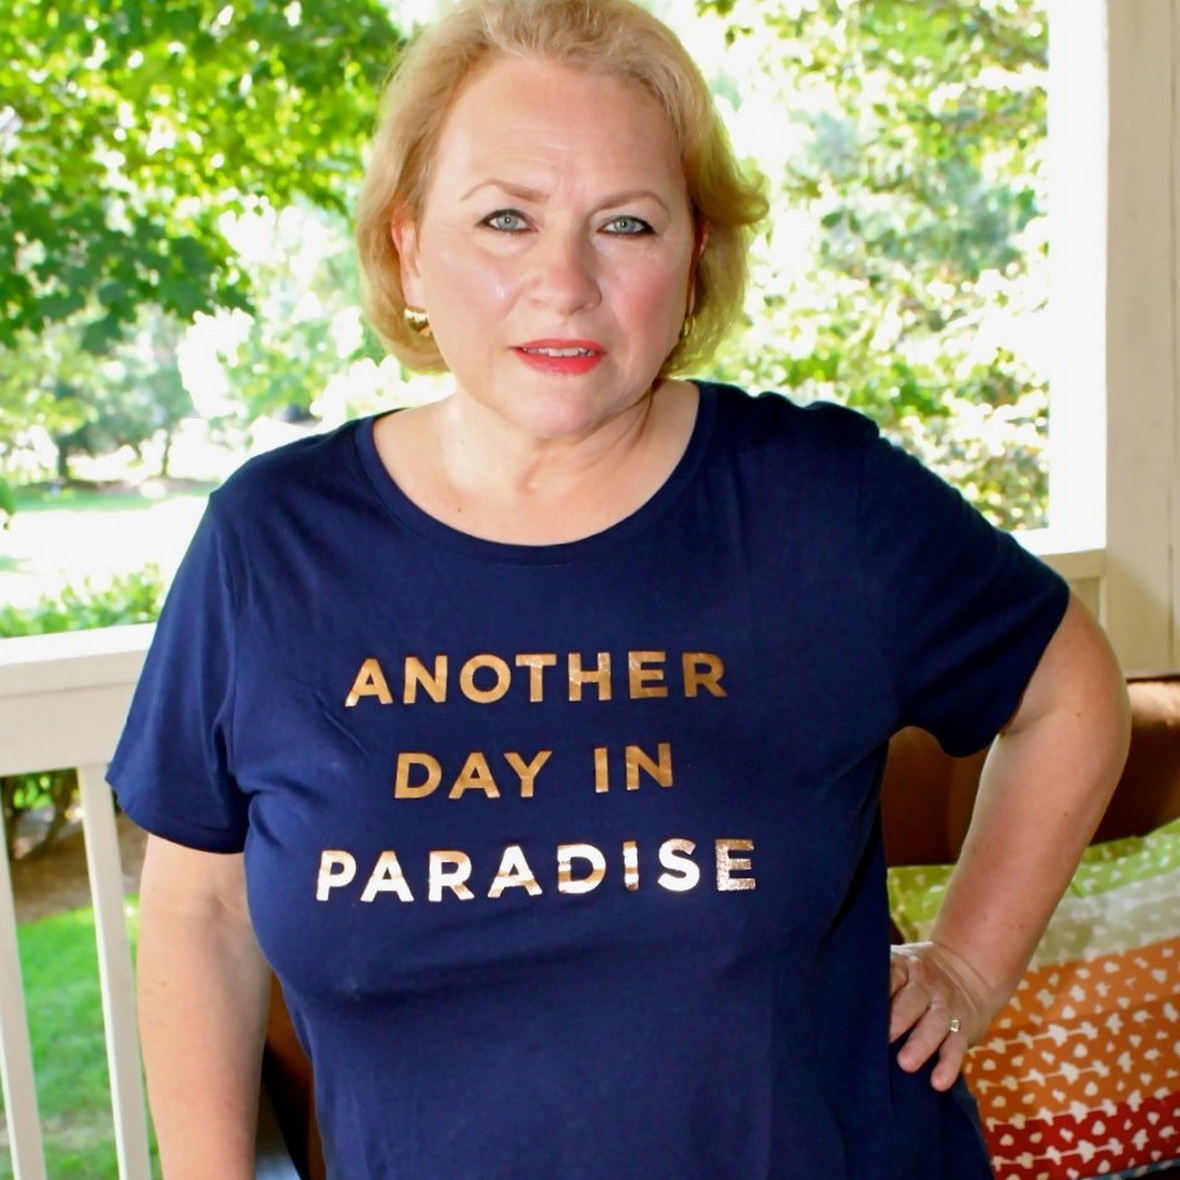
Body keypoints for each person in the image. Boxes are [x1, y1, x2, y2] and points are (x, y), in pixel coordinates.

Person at [108, 1, 1131, 1176]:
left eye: (626, 223)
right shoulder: (272, 546)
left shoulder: (823, 505)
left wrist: (966, 967)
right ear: (409, 247)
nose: (564, 282)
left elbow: (1071, 692)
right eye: (505, 218)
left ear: (692, 259)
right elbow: (202, 911)